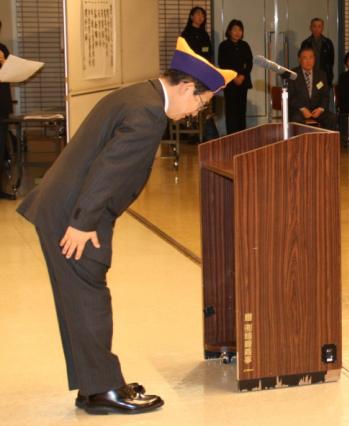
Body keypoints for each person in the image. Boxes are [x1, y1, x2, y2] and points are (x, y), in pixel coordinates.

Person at [16, 37, 236, 414]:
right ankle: (102, 390)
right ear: (186, 87)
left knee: (80, 299)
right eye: (200, 103)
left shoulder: (140, 94)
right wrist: (84, 223)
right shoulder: (148, 113)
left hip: (65, 206)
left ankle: (94, 383)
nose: (196, 113)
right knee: (90, 299)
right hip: (77, 214)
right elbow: (109, 170)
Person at [288, 46, 336, 129]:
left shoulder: (321, 74)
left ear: (314, 59)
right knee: (296, 119)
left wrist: (320, 109)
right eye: (305, 58)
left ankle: (325, 142)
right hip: (299, 110)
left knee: (332, 118)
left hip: (316, 110)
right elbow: (291, 96)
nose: (308, 61)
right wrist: (302, 109)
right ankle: (302, 142)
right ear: (299, 60)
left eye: (311, 57)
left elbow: (325, 95)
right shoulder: (293, 74)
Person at [218, 19, 253, 133]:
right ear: (229, 31)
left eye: (240, 30)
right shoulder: (223, 45)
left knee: (241, 110)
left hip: (243, 82)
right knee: (231, 111)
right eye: (234, 29)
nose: (237, 32)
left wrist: (242, 75)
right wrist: (234, 77)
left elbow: (249, 63)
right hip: (230, 82)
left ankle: (242, 136)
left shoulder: (245, 45)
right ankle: (231, 136)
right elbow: (222, 63)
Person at [0, 19, 15, 200]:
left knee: (0, 147)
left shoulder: (2, 48)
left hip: (1, 107)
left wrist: (4, 63)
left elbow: (11, 74)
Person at [300, 18, 335, 84]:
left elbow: (331, 62)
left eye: (319, 26)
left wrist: (329, 77)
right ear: (310, 28)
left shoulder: (328, 43)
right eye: (314, 26)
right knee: (311, 93)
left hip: (324, 77)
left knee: (321, 91)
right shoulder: (306, 43)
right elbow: (302, 61)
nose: (316, 29)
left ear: (322, 28)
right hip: (309, 76)